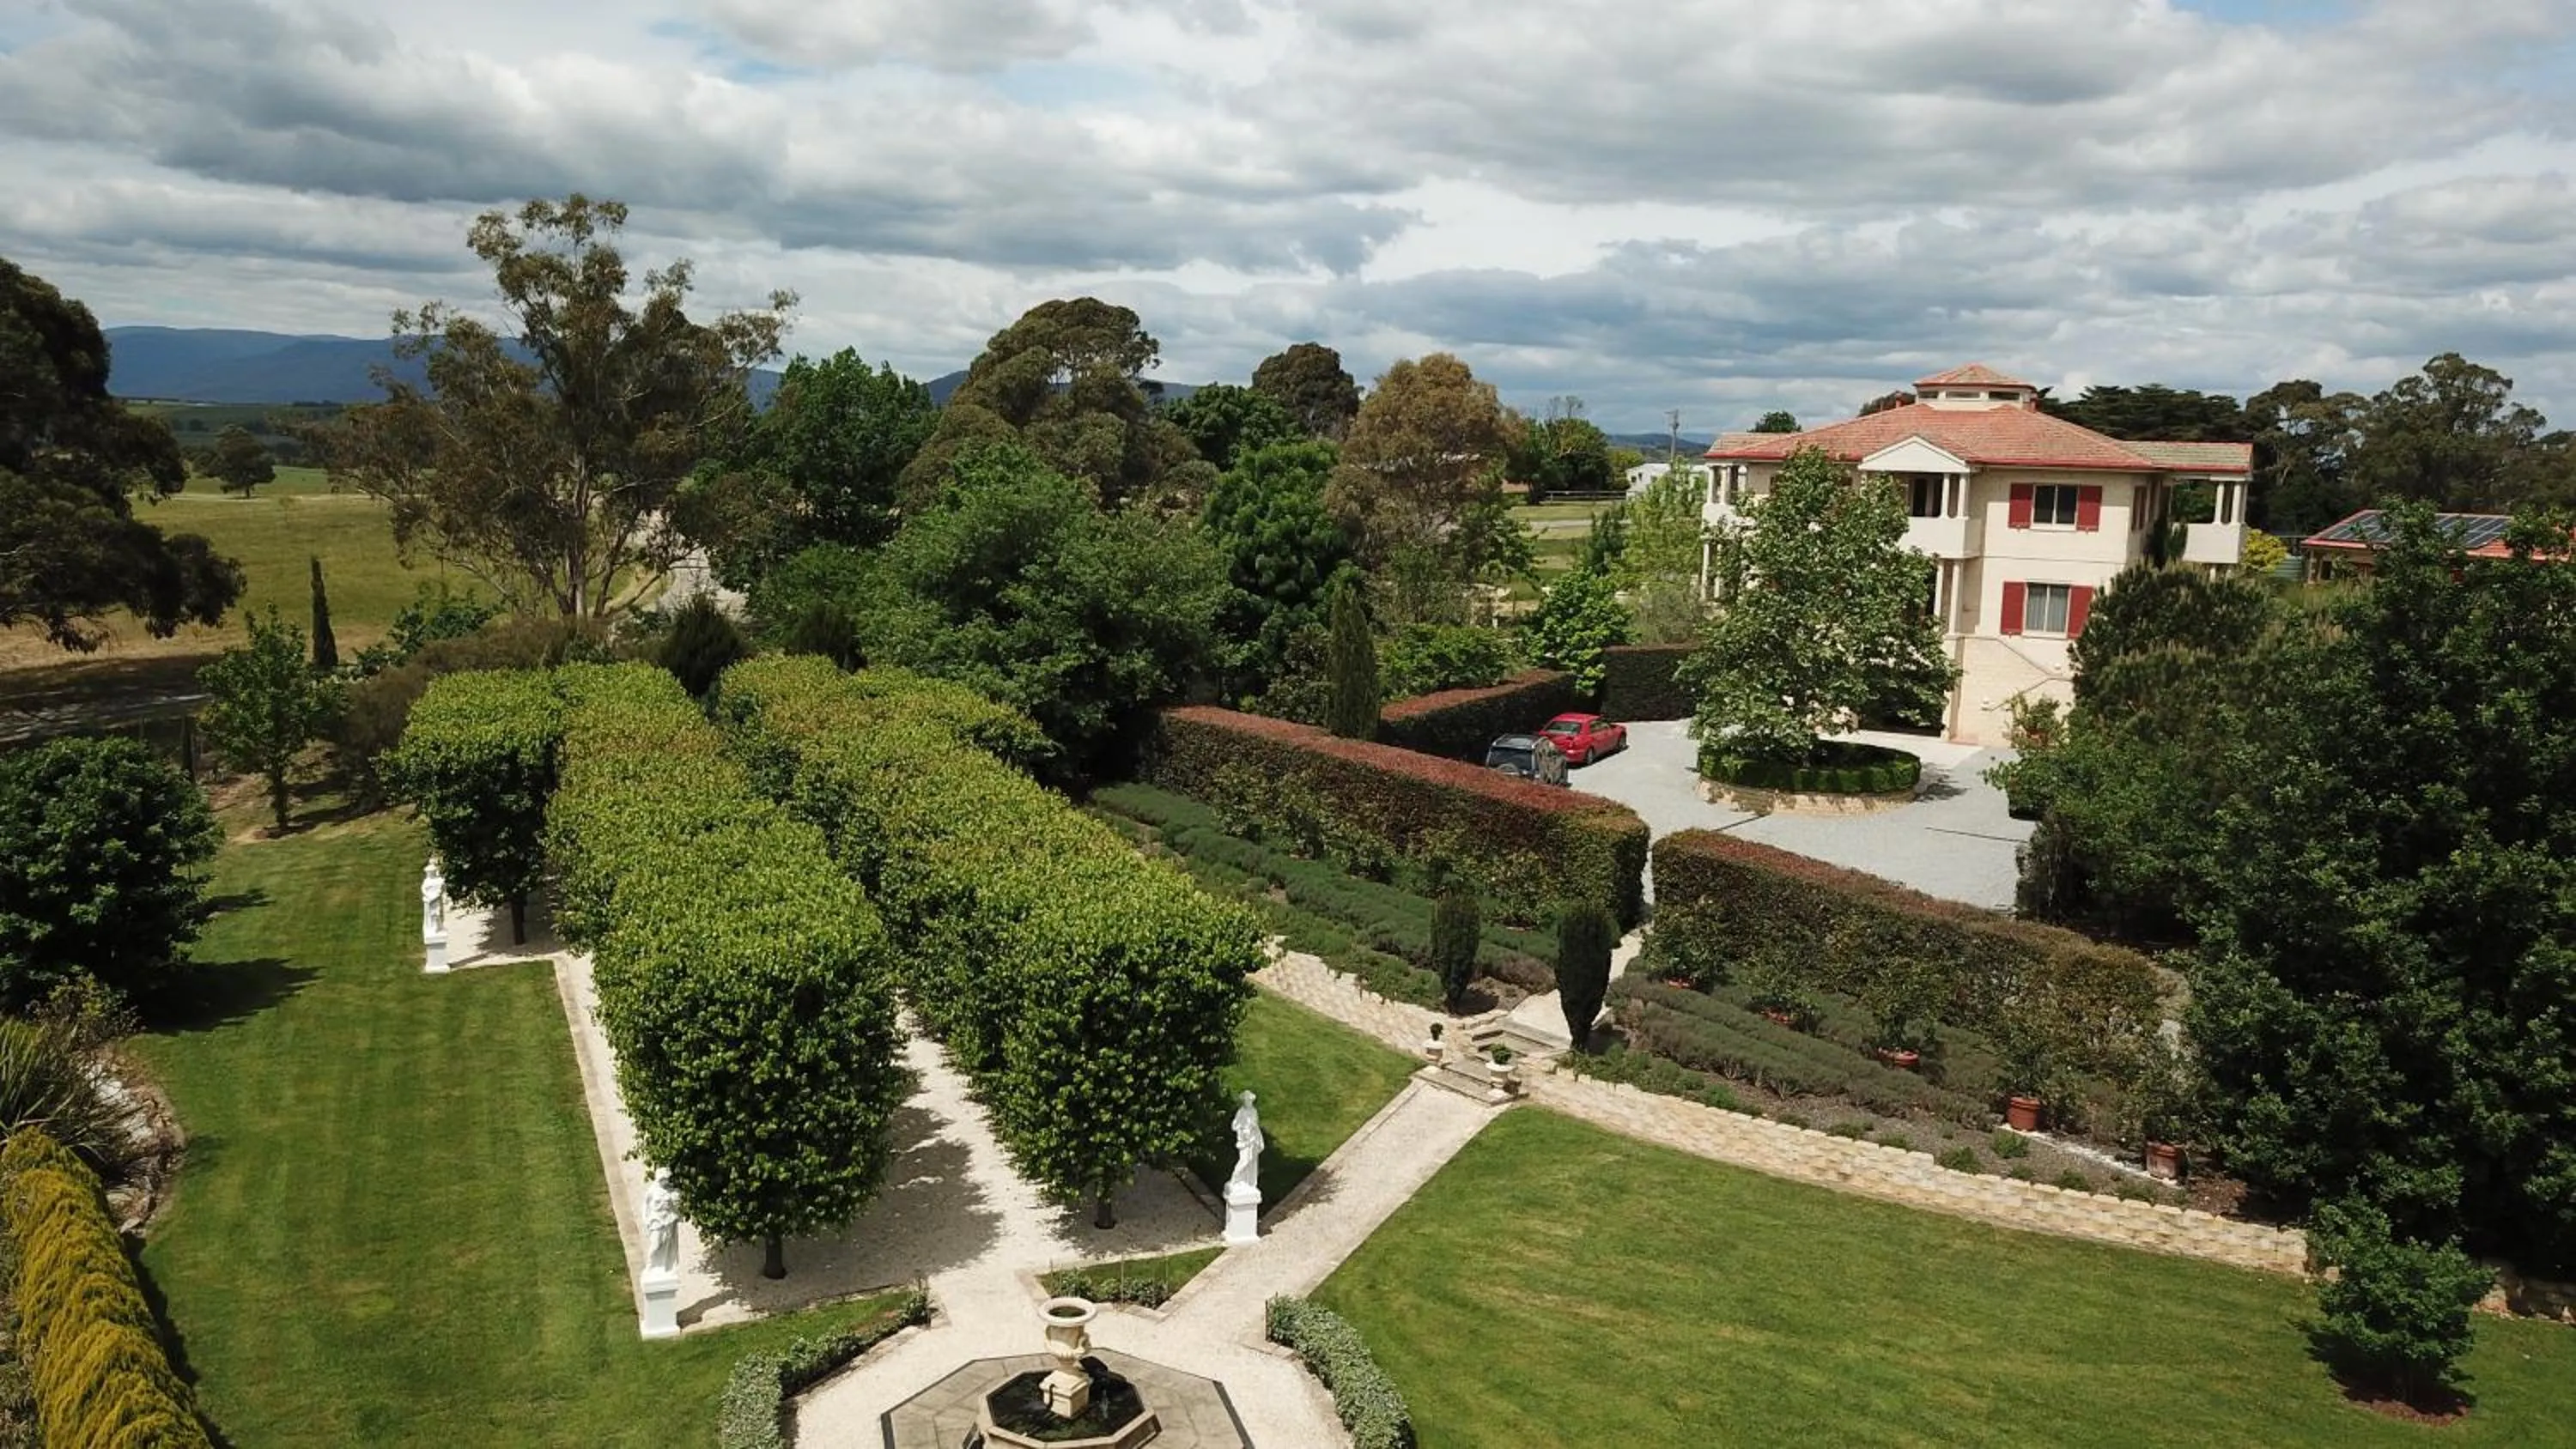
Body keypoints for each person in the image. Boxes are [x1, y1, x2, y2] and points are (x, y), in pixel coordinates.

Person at [642, 1167, 681, 1277]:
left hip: (668, 1220)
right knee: (656, 1244)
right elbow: (646, 1206)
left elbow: (675, 1206)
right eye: (664, 1179)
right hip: (656, 1220)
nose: (666, 1181)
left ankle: (665, 1266)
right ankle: (650, 1265)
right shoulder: (652, 1191)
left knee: (667, 1242)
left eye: (667, 1179)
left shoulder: (671, 1191)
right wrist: (646, 1221)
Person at [1228, 1091, 1263, 1195]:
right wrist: (1242, 1129)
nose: (1249, 1102)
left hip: (1252, 1140)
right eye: (1247, 1101)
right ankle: (1235, 1178)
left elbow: (1255, 1124)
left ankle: (1248, 1181)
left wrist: (1252, 1127)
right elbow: (1234, 1126)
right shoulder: (1241, 1112)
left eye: (1250, 1101)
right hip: (1244, 1141)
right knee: (1244, 1160)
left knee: (1251, 1161)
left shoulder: (1254, 1111)